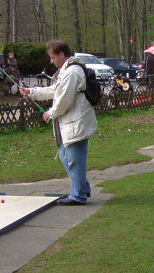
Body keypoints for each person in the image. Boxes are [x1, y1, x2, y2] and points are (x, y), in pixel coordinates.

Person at [19, 40, 97, 206]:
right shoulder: (66, 71)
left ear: (62, 55)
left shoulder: (72, 72)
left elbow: (64, 100)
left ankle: (78, 195)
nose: (51, 61)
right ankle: (82, 188)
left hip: (77, 122)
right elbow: (55, 90)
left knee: (74, 160)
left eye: (52, 57)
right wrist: (32, 92)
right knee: (65, 155)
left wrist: (51, 113)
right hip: (70, 122)